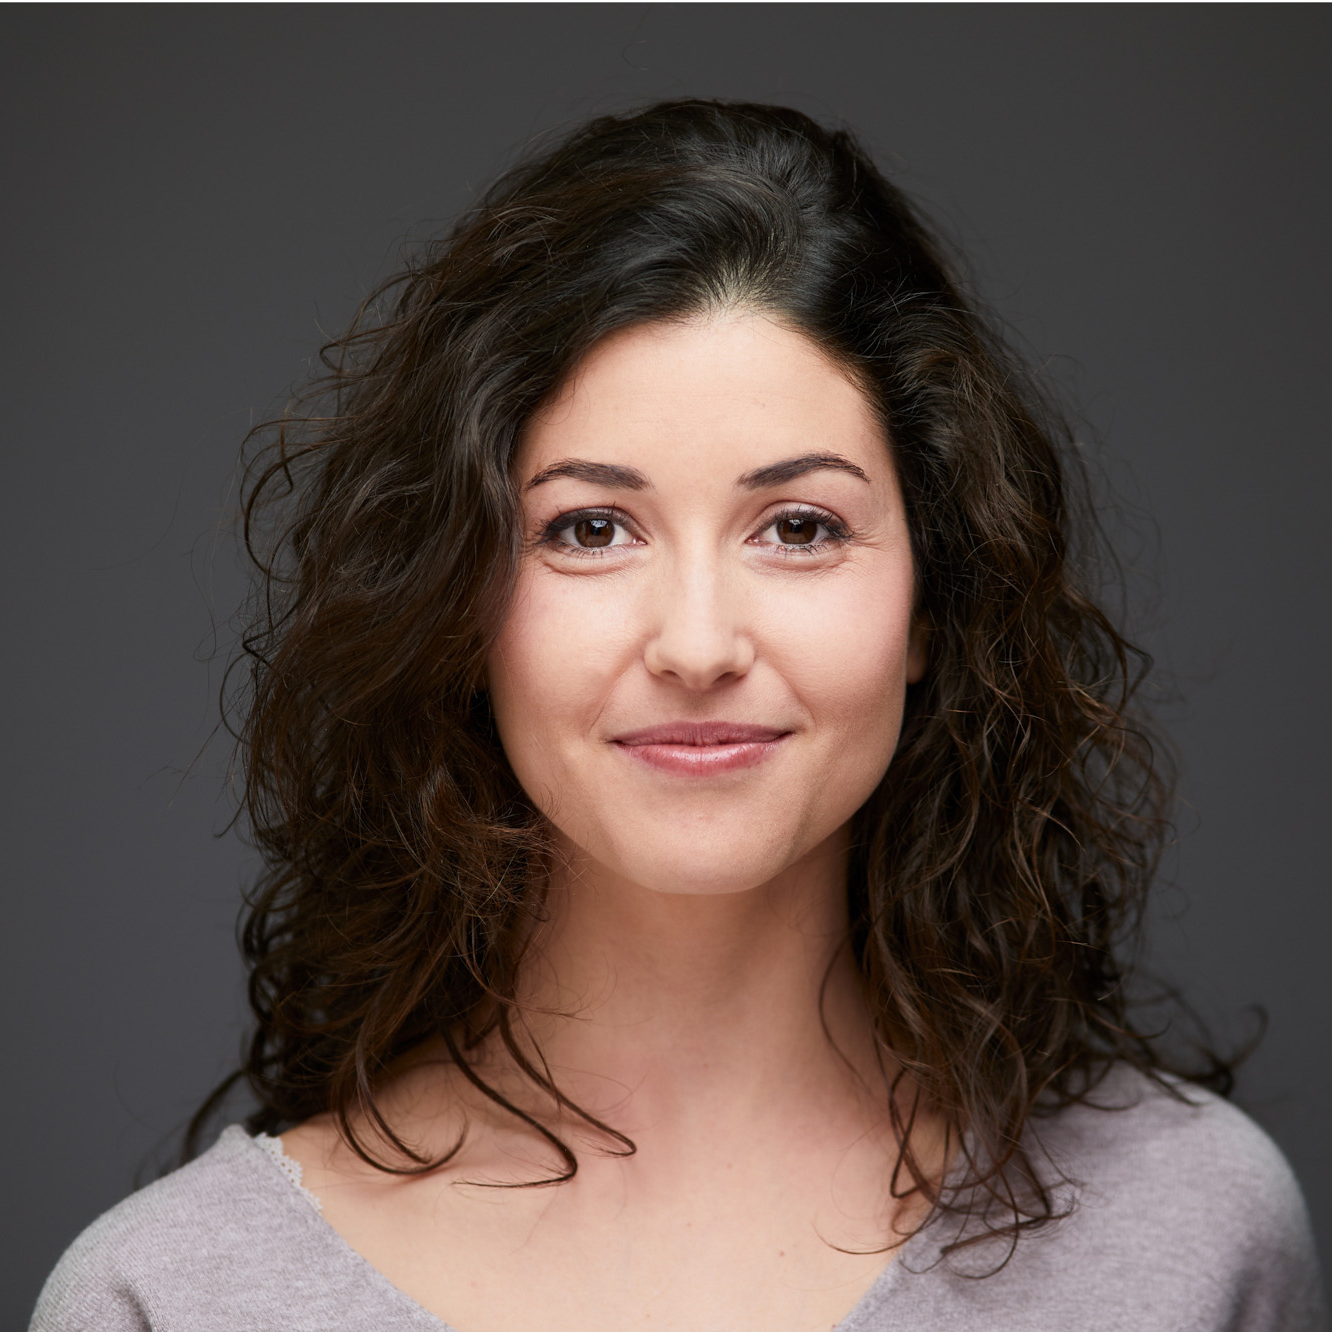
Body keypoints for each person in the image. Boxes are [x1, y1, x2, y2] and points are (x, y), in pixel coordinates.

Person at [31, 99, 1325, 1332]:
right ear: (457, 605)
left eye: (800, 527)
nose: (699, 644)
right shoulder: (174, 1298)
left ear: (937, 598)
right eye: (590, 528)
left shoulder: (1191, 1230)